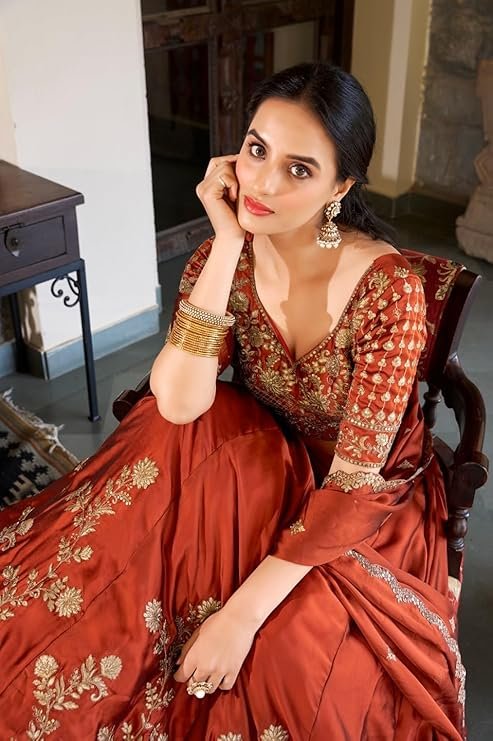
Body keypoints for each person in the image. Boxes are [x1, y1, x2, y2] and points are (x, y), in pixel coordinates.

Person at [0, 63, 464, 740]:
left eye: (299, 169)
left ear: (340, 187)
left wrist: (241, 616)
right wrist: (224, 244)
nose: (262, 184)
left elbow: (354, 486)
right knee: (121, 566)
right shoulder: (225, 259)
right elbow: (178, 404)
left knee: (293, 663)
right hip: (259, 458)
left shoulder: (387, 290)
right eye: (255, 149)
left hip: (363, 500)